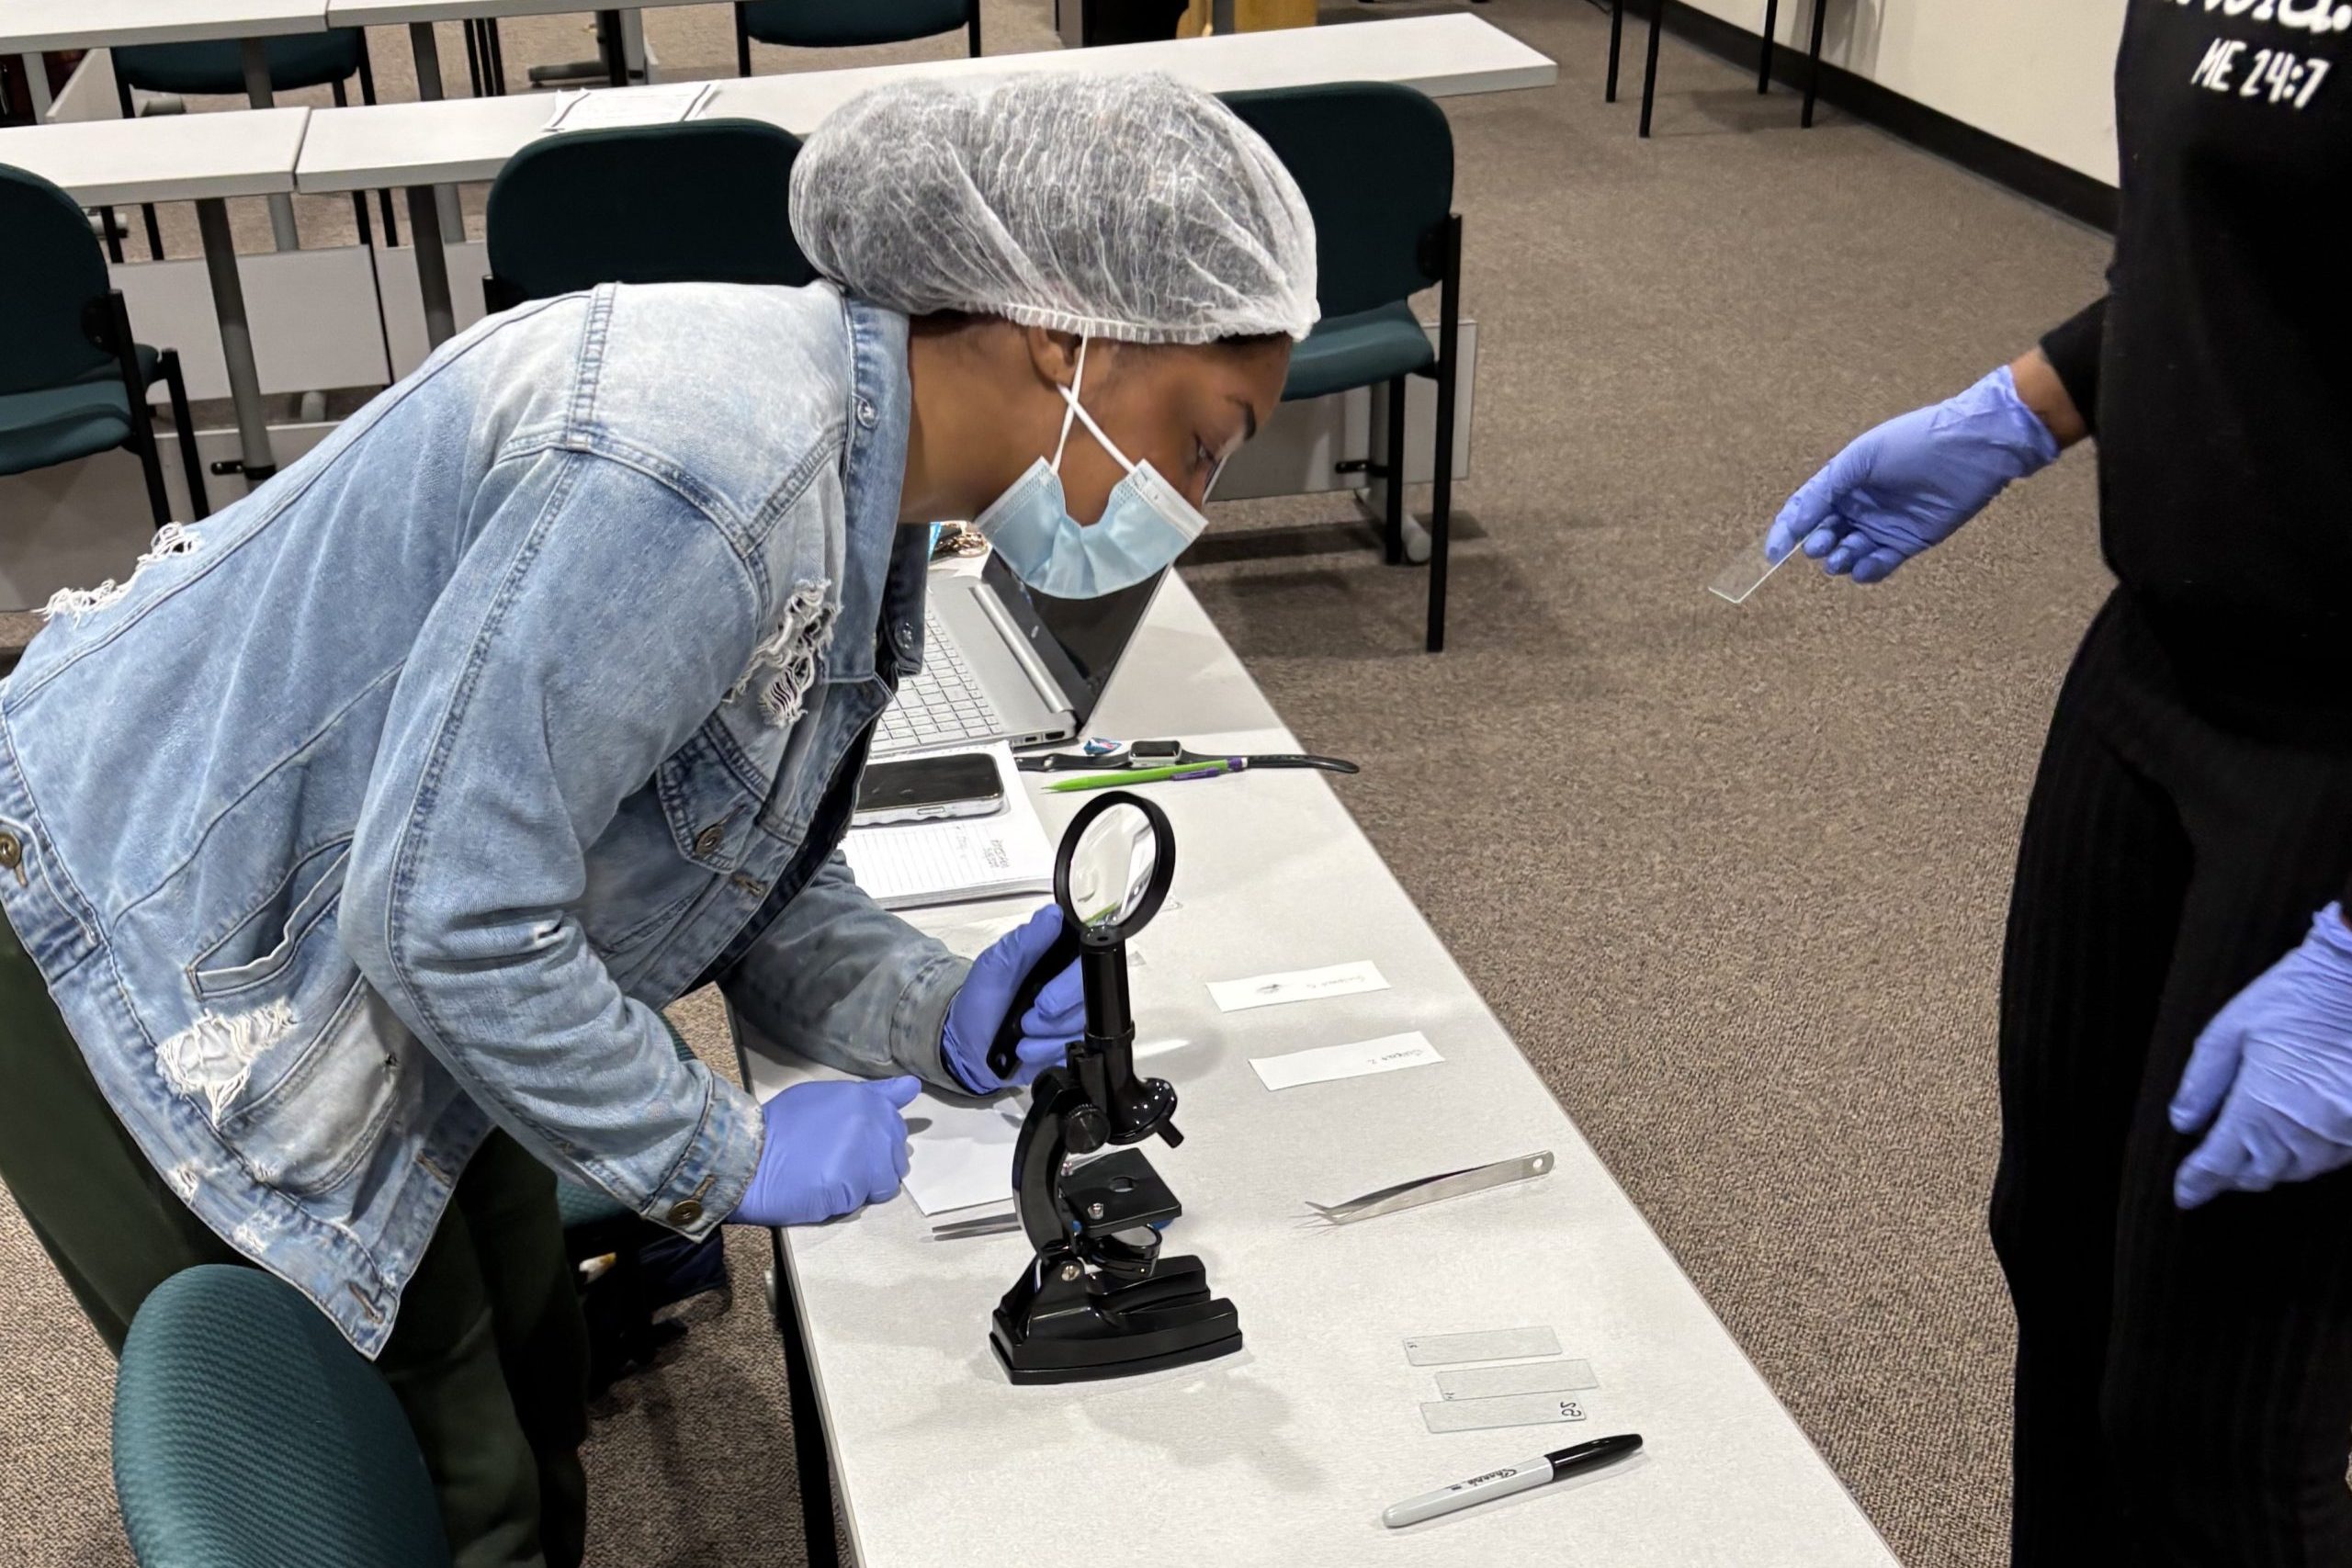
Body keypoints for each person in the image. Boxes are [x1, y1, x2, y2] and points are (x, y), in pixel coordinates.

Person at [0, 72, 1314, 1567]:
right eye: (1204, 440)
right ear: (1065, 329)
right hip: (133, 937)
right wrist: (725, 1154)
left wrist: (932, 1009)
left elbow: (718, 844)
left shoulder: (855, 474)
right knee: (448, 1487)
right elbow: (451, 917)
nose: (1193, 496)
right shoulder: (710, 481)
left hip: (354, 906)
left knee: (538, 1374)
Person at [1768, 6, 2352, 1562]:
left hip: (2332, 749)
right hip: (2160, 659)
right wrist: (2025, 405)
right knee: (2064, 1253)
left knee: (2220, 1392)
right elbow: (2235, 237)